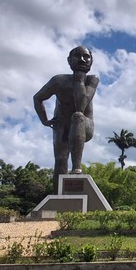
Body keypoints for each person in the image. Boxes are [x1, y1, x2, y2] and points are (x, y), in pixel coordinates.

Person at [33, 46, 98, 191]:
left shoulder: (92, 80)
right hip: (62, 125)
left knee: (78, 116)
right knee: (60, 161)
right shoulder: (58, 81)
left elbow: (81, 105)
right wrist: (45, 120)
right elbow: (37, 98)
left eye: (86, 57)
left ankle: (76, 168)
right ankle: (58, 197)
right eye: (77, 56)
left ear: (91, 61)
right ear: (69, 60)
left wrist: (79, 80)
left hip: (84, 125)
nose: (82, 59)